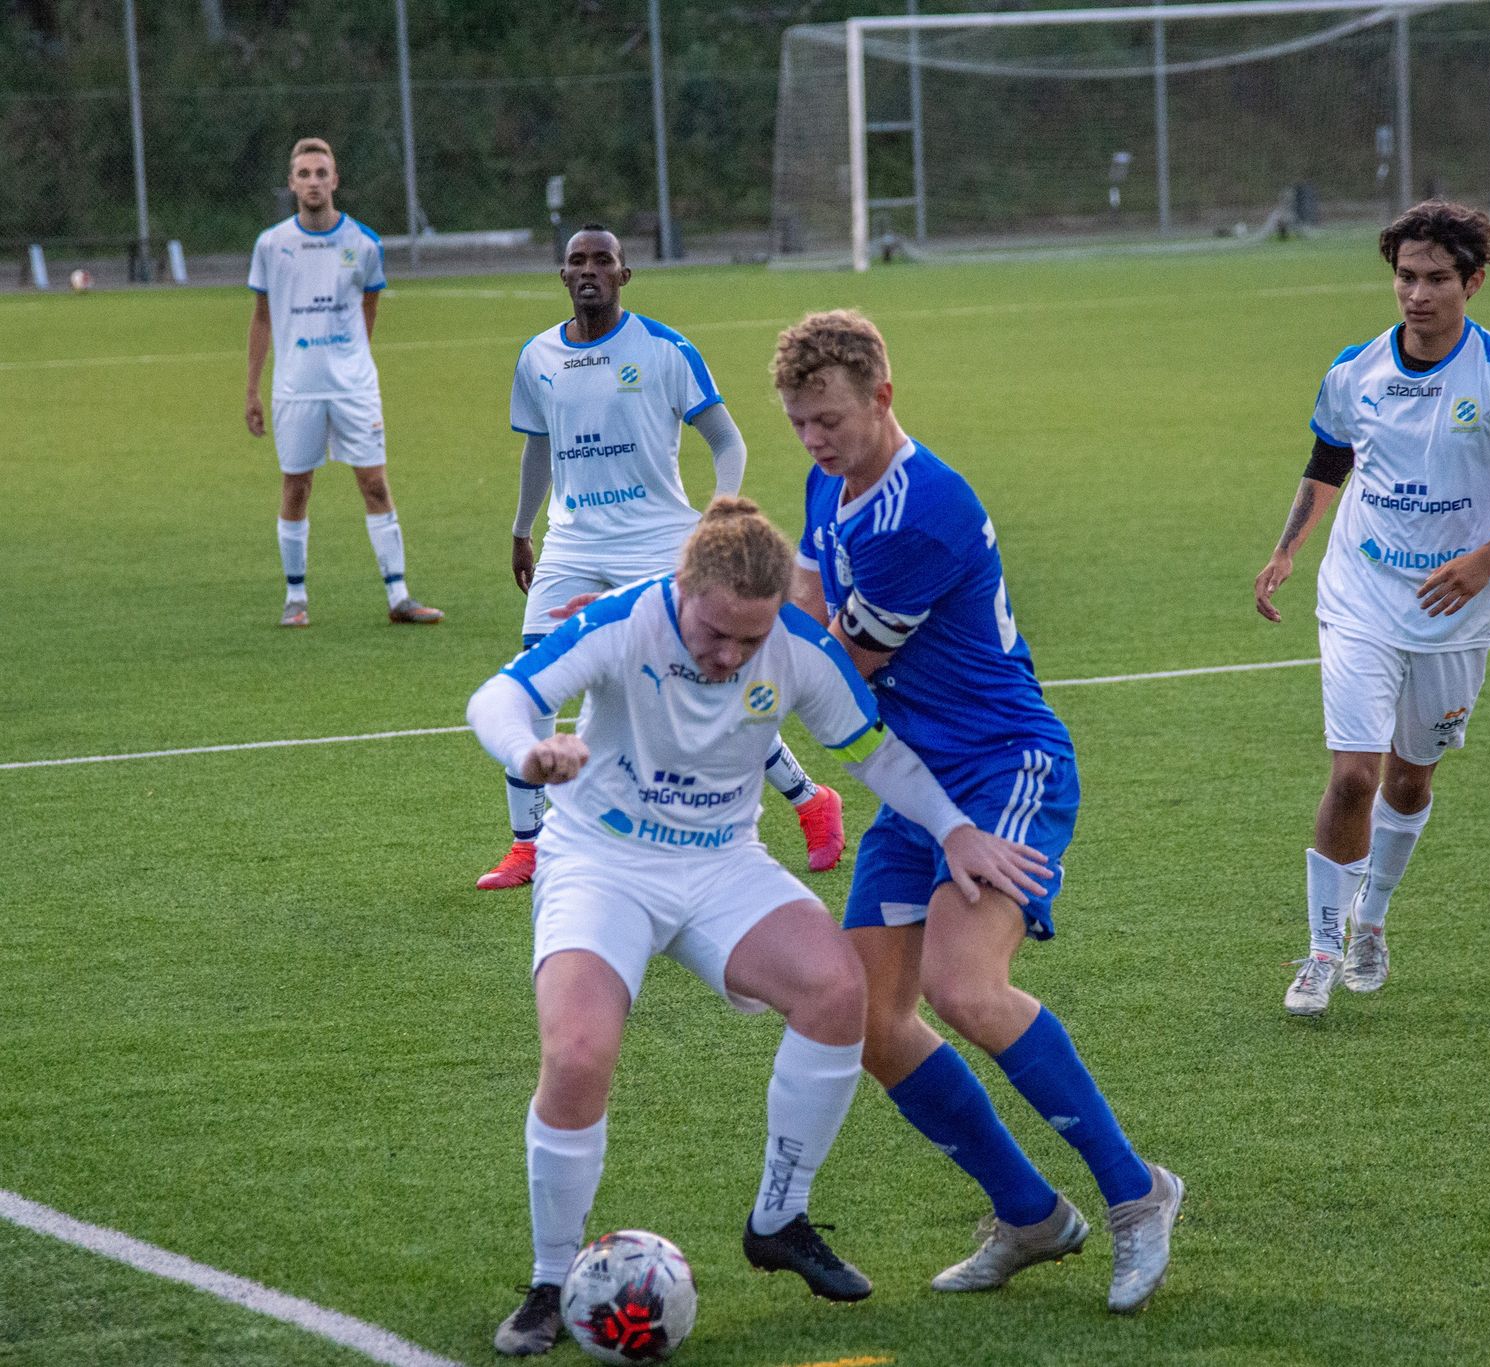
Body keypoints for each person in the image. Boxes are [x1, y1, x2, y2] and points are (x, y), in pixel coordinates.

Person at [469, 496, 1051, 1356]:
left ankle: (780, 1216)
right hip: (602, 862)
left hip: (721, 863)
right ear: (682, 589)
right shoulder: (624, 620)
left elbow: (874, 751)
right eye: (714, 633)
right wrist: (529, 752)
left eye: (751, 638)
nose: (731, 655)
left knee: (838, 989)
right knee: (580, 1052)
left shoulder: (799, 647)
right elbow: (501, 695)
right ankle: (551, 1281)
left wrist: (953, 827)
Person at [776, 310, 1184, 1316]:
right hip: (916, 781)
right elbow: (805, 603)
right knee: (870, 1021)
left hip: (1003, 765)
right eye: (798, 423)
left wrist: (710, 654)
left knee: (963, 984)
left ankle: (1137, 1192)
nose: (814, 440)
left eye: (829, 419)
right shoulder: (831, 478)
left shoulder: (923, 510)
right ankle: (1030, 1214)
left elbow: (837, 667)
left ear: (883, 396)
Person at [1253, 200, 1490, 1017]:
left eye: (1437, 278)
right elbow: (1329, 457)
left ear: (1473, 282)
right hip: (1359, 593)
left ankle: (1372, 919)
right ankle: (1321, 950)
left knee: (1409, 777)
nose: (1417, 294)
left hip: (1451, 610)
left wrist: (1484, 561)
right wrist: (1289, 547)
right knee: (1353, 776)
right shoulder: (1355, 370)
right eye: (1406, 276)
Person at [477, 224, 843, 892]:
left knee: (697, 684)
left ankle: (811, 800)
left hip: (656, 541)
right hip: (572, 542)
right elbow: (539, 448)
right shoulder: (537, 357)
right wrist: (522, 527)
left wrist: (719, 511)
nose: (589, 270)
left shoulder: (665, 349)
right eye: (578, 261)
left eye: (603, 261)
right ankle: (528, 845)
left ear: (623, 275)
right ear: (563, 276)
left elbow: (726, 440)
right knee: (536, 679)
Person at [245, 136, 441, 627]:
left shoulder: (364, 243)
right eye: (304, 174)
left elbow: (368, 308)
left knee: (374, 484)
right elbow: (262, 318)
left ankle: (399, 597)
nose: (313, 182)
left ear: (335, 180)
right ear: (292, 184)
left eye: (321, 173)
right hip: (296, 387)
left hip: (354, 386)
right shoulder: (271, 244)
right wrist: (251, 390)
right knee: (296, 487)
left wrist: (353, 360)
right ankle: (295, 600)